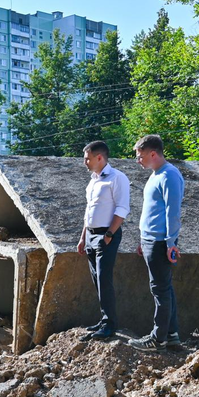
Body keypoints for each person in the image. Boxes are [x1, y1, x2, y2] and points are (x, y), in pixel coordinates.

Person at [129, 134, 184, 351]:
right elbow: (152, 210)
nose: (138, 160)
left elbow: (173, 212)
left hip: (161, 241)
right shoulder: (155, 174)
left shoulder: (169, 175)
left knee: (160, 290)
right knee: (164, 289)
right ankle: (171, 335)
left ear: (153, 153)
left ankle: (157, 339)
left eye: (140, 156)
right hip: (151, 239)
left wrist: (171, 242)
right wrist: (143, 239)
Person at [77, 140, 130, 340]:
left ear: (99, 157)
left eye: (87, 159)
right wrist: (83, 237)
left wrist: (108, 235)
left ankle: (110, 325)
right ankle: (104, 318)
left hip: (106, 235)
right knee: (96, 279)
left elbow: (122, 209)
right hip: (91, 234)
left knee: (104, 279)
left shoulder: (117, 178)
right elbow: (89, 211)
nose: (85, 163)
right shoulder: (93, 180)